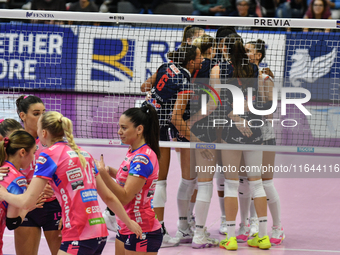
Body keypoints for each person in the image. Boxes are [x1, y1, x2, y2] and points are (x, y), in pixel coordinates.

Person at [0, 111, 142, 255]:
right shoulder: (84, 154)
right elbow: (108, 197)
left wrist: (3, 193)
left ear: (43, 132)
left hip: (79, 234)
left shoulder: (48, 155)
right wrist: (129, 222)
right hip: (98, 233)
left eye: (38, 128)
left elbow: (26, 201)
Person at [137, 27, 205, 248]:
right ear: (191, 62)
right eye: (198, 58)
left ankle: (140, 221)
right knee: (160, 181)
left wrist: (155, 94)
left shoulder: (165, 66)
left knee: (145, 177)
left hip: (143, 122)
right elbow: (176, 118)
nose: (201, 60)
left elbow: (144, 86)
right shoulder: (185, 83)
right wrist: (196, 140)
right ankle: (158, 230)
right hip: (160, 129)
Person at [208, 34, 271, 250]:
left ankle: (232, 237)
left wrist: (235, 118)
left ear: (225, 50)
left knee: (232, 184)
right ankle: (263, 237)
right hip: (254, 127)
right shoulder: (253, 69)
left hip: (231, 128)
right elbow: (254, 100)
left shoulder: (221, 70)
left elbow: (218, 102)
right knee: (257, 183)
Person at [95, 104, 163, 254]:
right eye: (119, 127)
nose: (119, 132)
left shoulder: (142, 158)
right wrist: (109, 170)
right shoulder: (133, 151)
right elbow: (127, 176)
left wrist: (104, 176)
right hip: (126, 224)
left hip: (142, 227)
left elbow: (125, 197)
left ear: (139, 129)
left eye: (124, 128)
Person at [236, 39, 284, 246]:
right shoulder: (238, 77)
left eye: (248, 51)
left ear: (257, 55)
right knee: (243, 183)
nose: (244, 53)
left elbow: (270, 112)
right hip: (240, 134)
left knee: (265, 183)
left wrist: (250, 106)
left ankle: (277, 227)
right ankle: (245, 224)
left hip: (263, 135)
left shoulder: (265, 79)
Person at [15, 95, 62, 255]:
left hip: (53, 207)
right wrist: (31, 189)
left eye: (44, 112)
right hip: (25, 207)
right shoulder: (13, 142)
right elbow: (6, 176)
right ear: (23, 116)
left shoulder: (54, 142)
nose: (42, 117)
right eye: (36, 113)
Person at [187, 34, 221, 248]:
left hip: (186, 130)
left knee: (189, 181)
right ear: (211, 49)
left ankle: (187, 226)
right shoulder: (214, 69)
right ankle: (199, 235)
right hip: (206, 128)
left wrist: (186, 124)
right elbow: (214, 102)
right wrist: (196, 120)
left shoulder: (186, 69)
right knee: (205, 183)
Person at [0, 130, 43, 255]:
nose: (34, 158)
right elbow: (12, 223)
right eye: (34, 153)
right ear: (23, 152)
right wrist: (27, 207)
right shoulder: (18, 180)